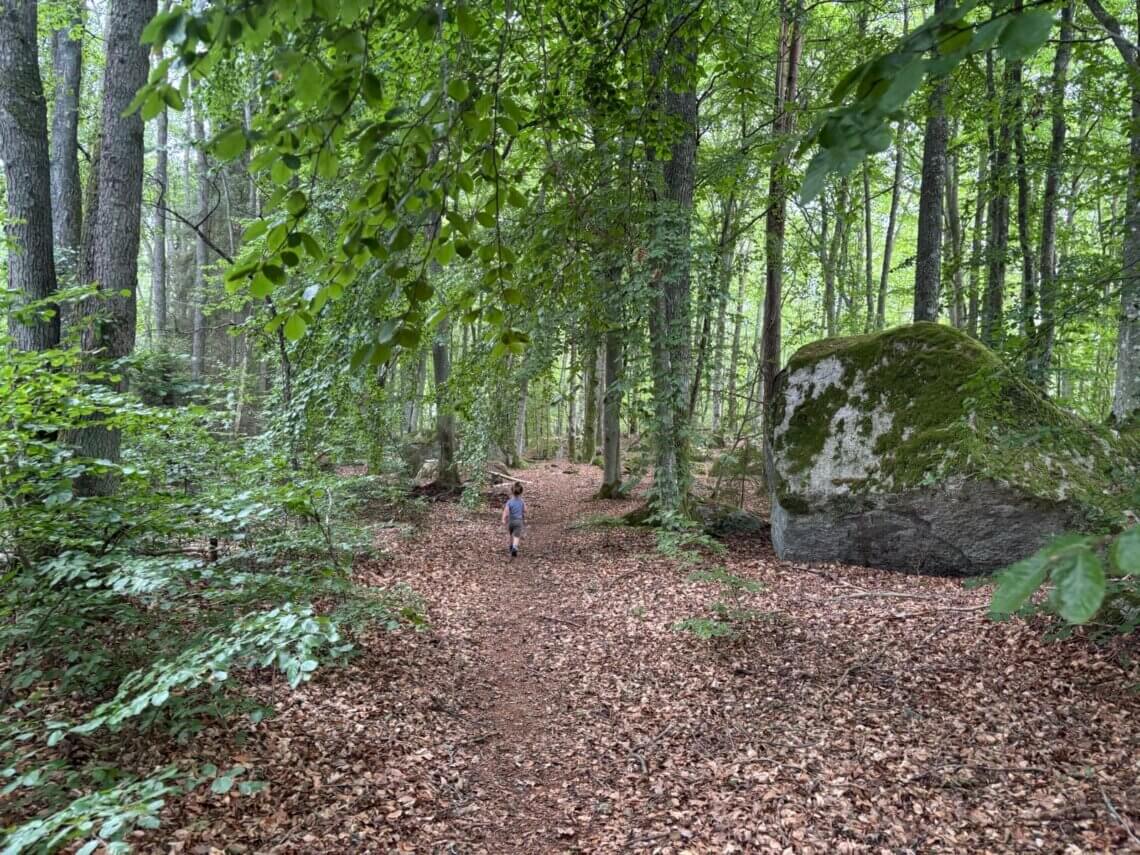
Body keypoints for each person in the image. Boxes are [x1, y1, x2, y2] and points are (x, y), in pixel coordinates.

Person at [501, 481, 525, 557]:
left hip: (511, 521)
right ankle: (515, 547)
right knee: (516, 536)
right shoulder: (521, 501)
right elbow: (525, 510)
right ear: (521, 492)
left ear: (512, 491)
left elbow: (506, 512)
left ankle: (510, 546)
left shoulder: (509, 502)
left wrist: (504, 519)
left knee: (511, 534)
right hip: (518, 521)